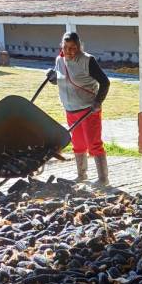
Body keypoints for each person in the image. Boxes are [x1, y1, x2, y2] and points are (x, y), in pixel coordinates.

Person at [46, 32, 110, 185]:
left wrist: (98, 101)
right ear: (61, 46)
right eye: (66, 47)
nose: (69, 51)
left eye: (73, 48)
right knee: (78, 143)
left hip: (88, 110)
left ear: (79, 47)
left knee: (94, 144)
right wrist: (52, 78)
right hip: (70, 109)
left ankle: (103, 179)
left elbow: (105, 82)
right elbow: (62, 80)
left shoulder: (88, 60)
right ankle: (82, 175)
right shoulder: (59, 60)